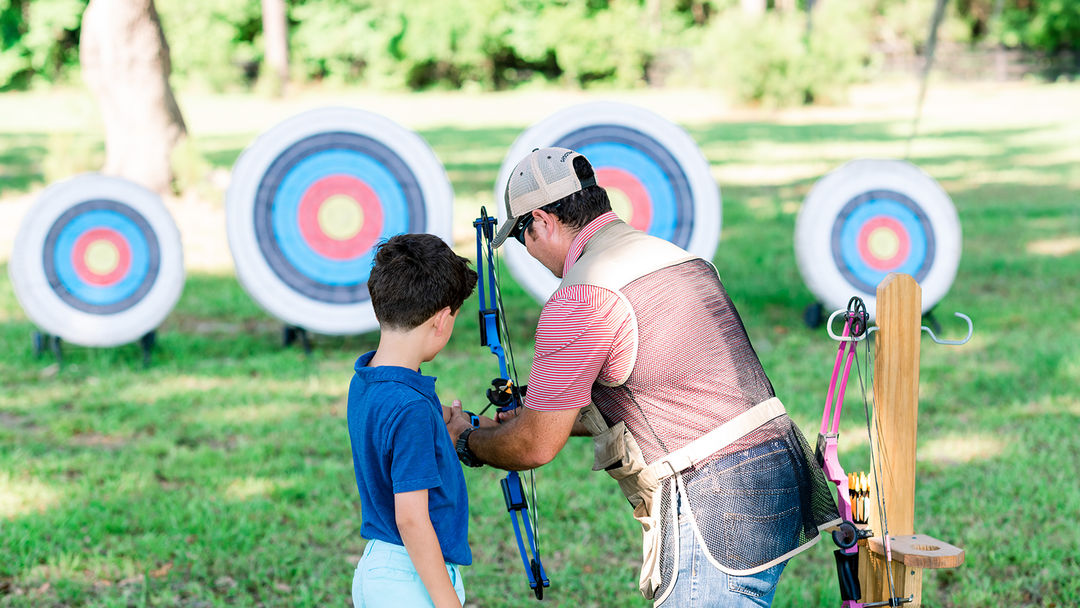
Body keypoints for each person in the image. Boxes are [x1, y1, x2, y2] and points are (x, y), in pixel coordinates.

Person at [447, 147, 840, 607]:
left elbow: (535, 445)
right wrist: (532, 414)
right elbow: (657, 390)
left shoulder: (582, 295)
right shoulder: (675, 257)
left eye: (522, 237)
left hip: (715, 498)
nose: (529, 251)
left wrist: (466, 440)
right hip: (778, 469)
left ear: (542, 220)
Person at [348, 233, 484, 608]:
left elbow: (395, 425)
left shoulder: (367, 379)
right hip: (407, 577)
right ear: (442, 321)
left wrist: (448, 418)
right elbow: (411, 518)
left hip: (382, 567)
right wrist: (448, 603)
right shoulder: (411, 408)